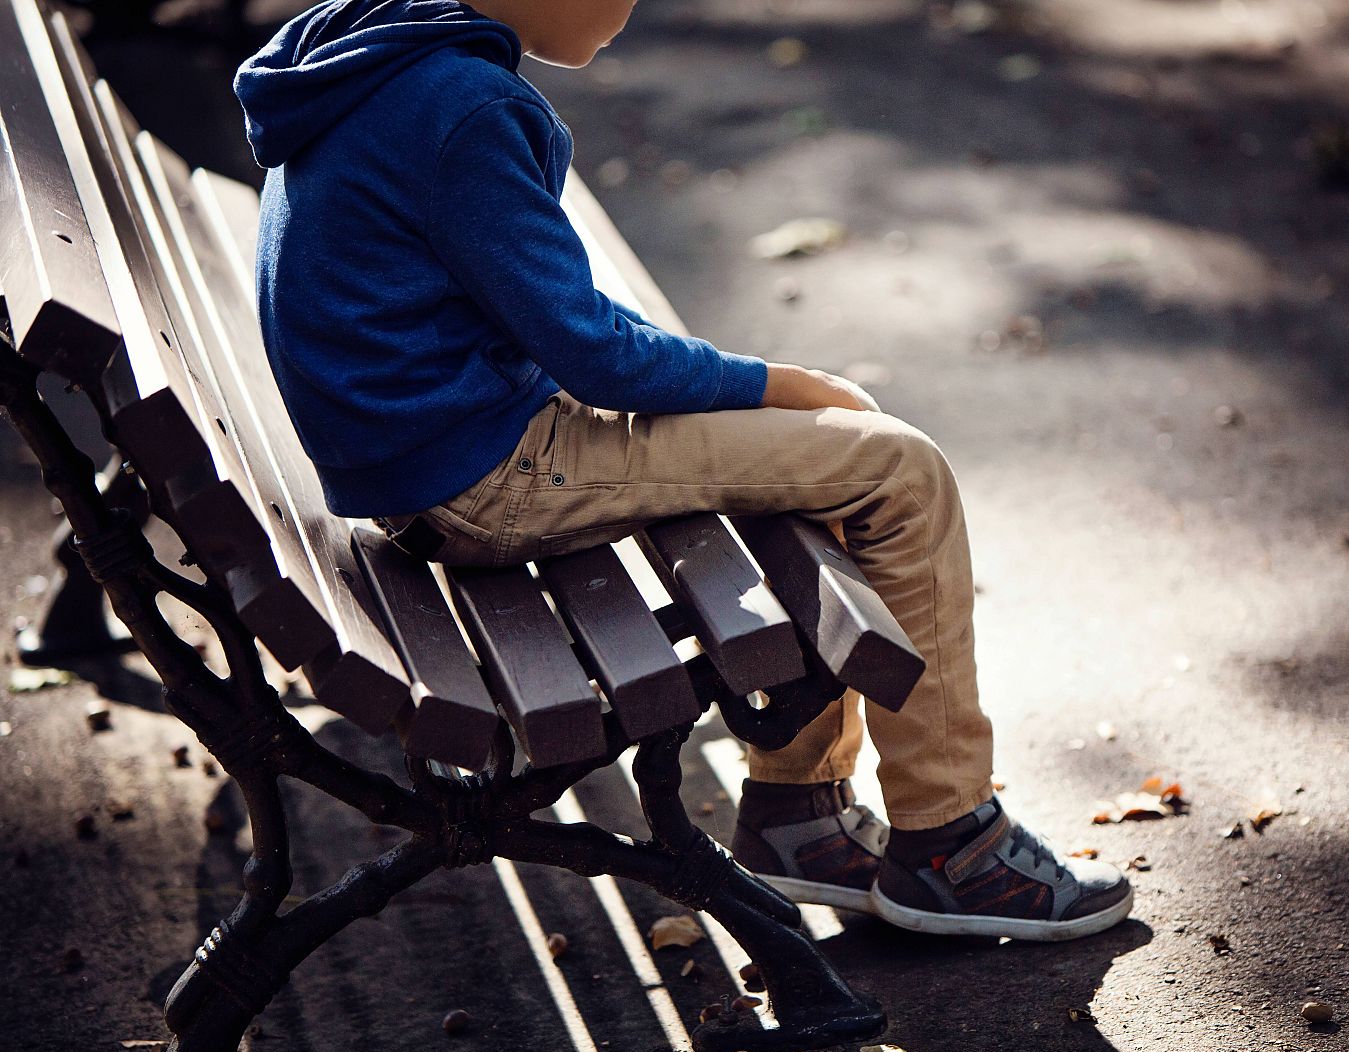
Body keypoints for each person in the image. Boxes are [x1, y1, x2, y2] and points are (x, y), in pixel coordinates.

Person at [234, 0, 1133, 940]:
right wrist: (778, 382)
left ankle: (802, 820)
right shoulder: (463, 105)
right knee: (898, 470)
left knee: (814, 462)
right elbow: (598, 355)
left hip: (424, 462)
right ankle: (953, 843)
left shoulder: (367, 46)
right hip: (491, 476)